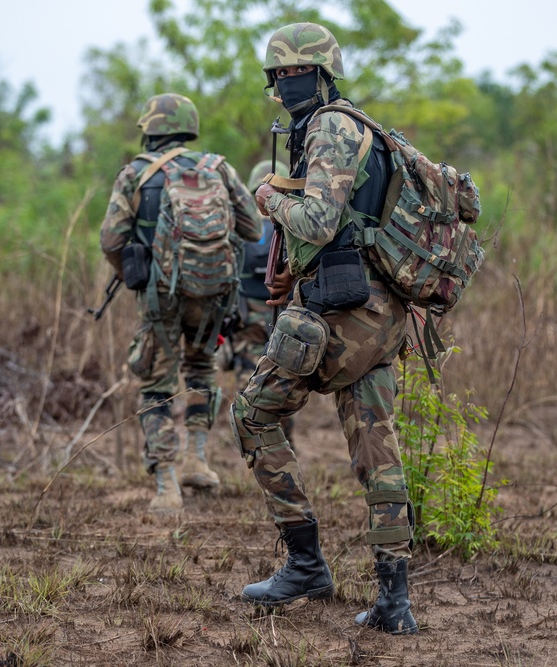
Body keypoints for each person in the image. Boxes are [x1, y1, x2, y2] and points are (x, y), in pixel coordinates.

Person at [230, 22, 418, 634]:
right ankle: (395, 602)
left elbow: (317, 217)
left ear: (322, 72)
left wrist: (267, 197)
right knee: (377, 450)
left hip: (345, 318)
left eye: (295, 73)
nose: (287, 84)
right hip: (379, 311)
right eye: (278, 75)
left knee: (253, 412)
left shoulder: (333, 126)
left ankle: (305, 563)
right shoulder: (353, 127)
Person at [100, 93, 261, 515]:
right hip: (211, 295)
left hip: (161, 299)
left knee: (156, 384)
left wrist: (134, 275)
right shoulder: (218, 168)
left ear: (149, 128)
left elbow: (111, 240)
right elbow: (253, 226)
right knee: (201, 369)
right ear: (189, 127)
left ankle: (167, 487)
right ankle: (197, 460)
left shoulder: (134, 175)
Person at [219, 159, 295, 445]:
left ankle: (254, 440)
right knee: (284, 380)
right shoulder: (294, 220)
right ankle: (285, 440)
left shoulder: (240, 227)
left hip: (247, 312)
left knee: (249, 378)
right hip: (284, 311)